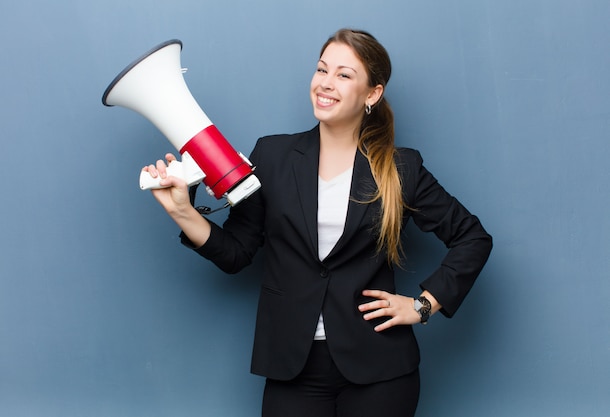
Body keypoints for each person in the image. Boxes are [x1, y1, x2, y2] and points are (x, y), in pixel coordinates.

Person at [143, 28, 492, 417]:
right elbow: (236, 254)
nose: (326, 84)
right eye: (322, 70)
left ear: (372, 94)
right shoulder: (272, 155)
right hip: (292, 367)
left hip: (381, 371)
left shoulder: (400, 168)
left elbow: (473, 238)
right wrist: (182, 211)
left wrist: (423, 305)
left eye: (344, 75)